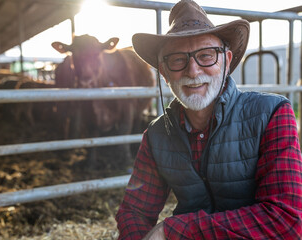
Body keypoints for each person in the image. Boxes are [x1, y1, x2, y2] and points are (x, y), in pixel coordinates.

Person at [115, 0, 302, 239]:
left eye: (206, 55)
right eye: (178, 59)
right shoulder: (156, 135)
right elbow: (134, 210)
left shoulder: (272, 114)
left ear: (227, 62)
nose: (193, 71)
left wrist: (173, 230)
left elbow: (284, 220)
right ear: (164, 72)